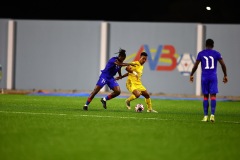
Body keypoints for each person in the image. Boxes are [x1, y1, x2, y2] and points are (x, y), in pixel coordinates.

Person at [190, 39, 228, 122]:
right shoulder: (217, 54)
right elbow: (223, 64)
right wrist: (225, 75)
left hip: (204, 77)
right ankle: (212, 115)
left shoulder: (201, 54)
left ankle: (205, 116)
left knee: (205, 96)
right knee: (213, 96)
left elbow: (195, 65)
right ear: (213, 45)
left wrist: (191, 74)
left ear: (205, 45)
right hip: (213, 77)